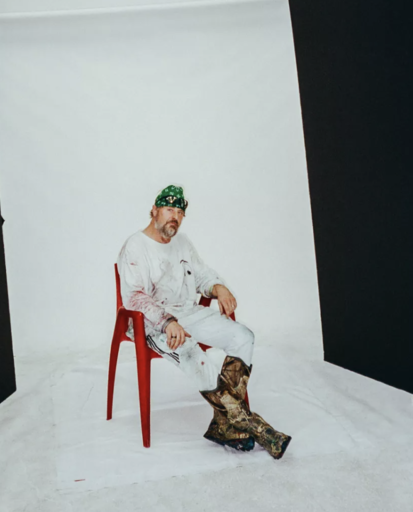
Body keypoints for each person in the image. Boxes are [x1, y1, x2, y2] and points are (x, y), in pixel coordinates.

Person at [117, 185, 291, 459]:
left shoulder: (183, 242)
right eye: (168, 210)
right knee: (191, 352)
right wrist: (167, 322)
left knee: (243, 336)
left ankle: (225, 426)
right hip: (153, 322)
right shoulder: (135, 246)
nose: (174, 216)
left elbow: (201, 275)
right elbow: (135, 298)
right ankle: (257, 428)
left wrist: (218, 287)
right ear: (154, 210)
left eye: (179, 212)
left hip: (188, 312)